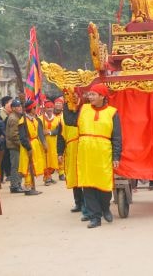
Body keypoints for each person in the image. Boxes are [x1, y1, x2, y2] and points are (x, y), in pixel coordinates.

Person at [63, 83, 122, 228]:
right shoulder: (83, 109)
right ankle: (95, 217)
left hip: (103, 153)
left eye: (93, 94)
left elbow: (117, 137)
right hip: (85, 154)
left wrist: (116, 156)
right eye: (89, 94)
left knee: (104, 185)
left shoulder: (112, 112)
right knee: (88, 185)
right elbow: (69, 120)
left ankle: (105, 208)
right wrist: (66, 101)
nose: (90, 97)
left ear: (102, 96)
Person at [59, 89, 88, 217]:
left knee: (85, 176)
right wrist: (59, 152)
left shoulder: (85, 112)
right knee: (74, 177)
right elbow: (60, 137)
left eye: (75, 97)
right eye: (70, 98)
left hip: (84, 147)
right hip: (71, 148)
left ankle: (87, 203)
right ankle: (78, 202)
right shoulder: (62, 118)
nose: (72, 100)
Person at [18, 99, 47, 194]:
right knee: (28, 166)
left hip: (34, 144)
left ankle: (32, 186)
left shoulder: (34, 119)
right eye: (35, 108)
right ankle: (28, 187)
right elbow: (22, 137)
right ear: (31, 109)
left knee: (33, 165)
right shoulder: (23, 121)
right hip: (28, 145)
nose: (36, 109)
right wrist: (28, 147)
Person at [5, 98, 28, 194]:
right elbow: (13, 135)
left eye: (20, 106)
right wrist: (23, 145)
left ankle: (17, 184)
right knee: (16, 166)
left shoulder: (18, 116)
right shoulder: (13, 118)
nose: (20, 108)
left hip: (17, 146)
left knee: (18, 166)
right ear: (13, 108)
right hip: (15, 146)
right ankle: (14, 186)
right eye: (17, 106)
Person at [42, 101, 60, 185]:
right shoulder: (40, 118)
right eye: (48, 107)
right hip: (44, 142)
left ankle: (50, 175)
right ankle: (47, 177)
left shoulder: (57, 119)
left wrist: (49, 132)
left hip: (53, 142)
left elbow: (57, 130)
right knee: (46, 159)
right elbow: (39, 131)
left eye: (51, 107)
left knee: (52, 160)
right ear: (45, 108)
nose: (49, 109)